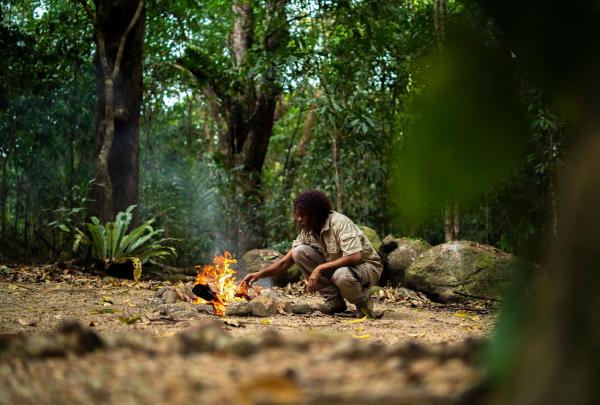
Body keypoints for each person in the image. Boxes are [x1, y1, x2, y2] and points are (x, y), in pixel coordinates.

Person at [242, 190, 382, 318]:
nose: (299, 219)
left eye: (303, 215)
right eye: (297, 215)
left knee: (342, 275)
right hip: (341, 269)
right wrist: (259, 274)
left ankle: (364, 305)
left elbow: (355, 256)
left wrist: (319, 268)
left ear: (316, 214)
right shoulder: (308, 232)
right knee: (298, 252)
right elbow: (285, 262)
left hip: (367, 267)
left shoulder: (339, 223)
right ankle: (335, 302)